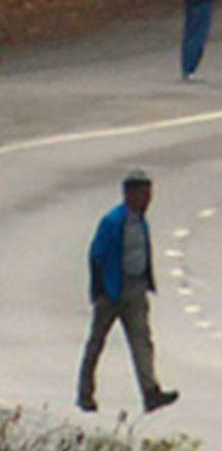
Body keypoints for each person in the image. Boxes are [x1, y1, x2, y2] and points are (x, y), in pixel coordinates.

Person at [77, 171, 179, 413]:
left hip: (135, 290)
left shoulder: (141, 221)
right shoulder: (112, 221)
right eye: (144, 194)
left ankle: (150, 393)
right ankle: (85, 393)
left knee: (142, 342)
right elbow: (96, 255)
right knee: (96, 343)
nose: (148, 199)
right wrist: (100, 291)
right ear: (130, 194)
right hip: (112, 291)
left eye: (149, 194)